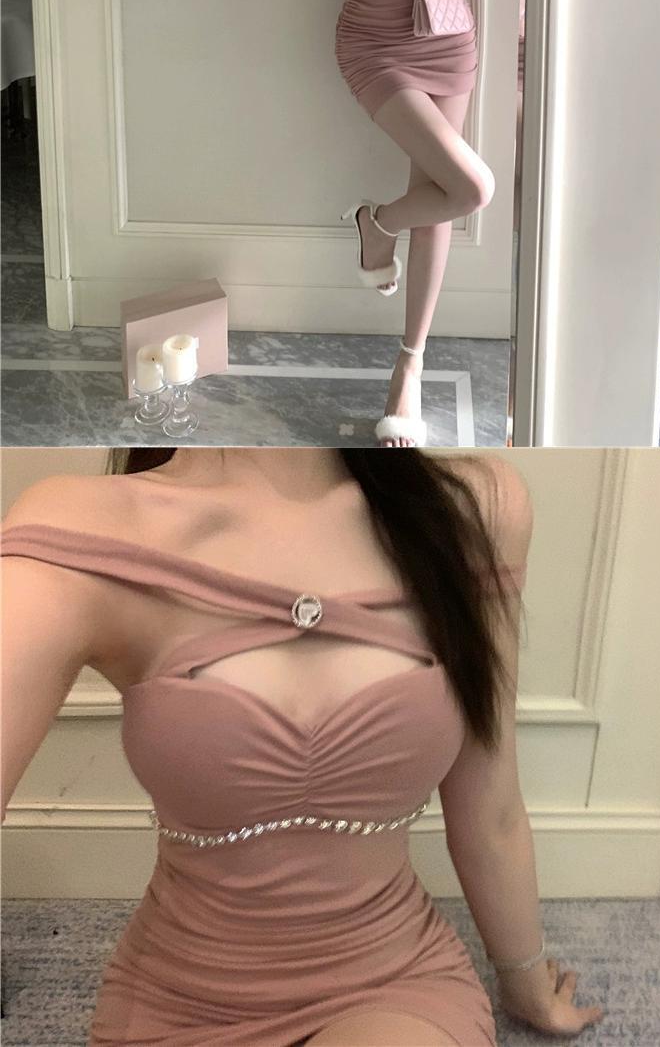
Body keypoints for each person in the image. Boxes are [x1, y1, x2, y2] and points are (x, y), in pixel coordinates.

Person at [0, 444, 604, 1043]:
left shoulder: (472, 507)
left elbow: (490, 806)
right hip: (178, 995)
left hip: (392, 983)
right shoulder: (84, 526)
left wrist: (524, 978)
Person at [292, 0, 487, 448]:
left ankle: (409, 365)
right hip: (372, 44)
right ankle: (374, 225)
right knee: (471, 188)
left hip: (445, 37)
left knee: (443, 198)